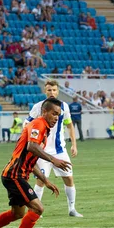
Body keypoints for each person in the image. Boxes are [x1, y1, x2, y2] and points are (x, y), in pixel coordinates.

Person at [0, 99, 70, 228]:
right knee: (38, 208)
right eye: (54, 113)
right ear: (44, 112)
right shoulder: (38, 124)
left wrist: (46, 180)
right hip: (14, 175)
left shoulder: (44, 129)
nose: (56, 118)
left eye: (58, 115)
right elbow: (32, 146)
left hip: (16, 174)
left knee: (17, 213)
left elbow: (32, 160)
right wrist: (53, 159)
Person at [26, 80, 82, 217]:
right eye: (49, 90)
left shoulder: (65, 107)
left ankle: (72, 209)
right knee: (41, 180)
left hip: (59, 150)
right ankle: (35, 210)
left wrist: (74, 144)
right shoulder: (38, 107)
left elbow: (69, 125)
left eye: (54, 90)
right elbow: (27, 124)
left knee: (69, 178)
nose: (52, 92)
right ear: (45, 91)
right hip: (42, 151)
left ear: (58, 91)